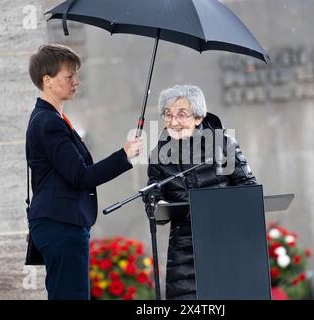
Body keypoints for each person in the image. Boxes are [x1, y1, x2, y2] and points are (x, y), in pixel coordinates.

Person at [26, 44, 143, 300]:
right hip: (62, 224)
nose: (76, 82)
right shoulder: (48, 122)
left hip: (60, 223)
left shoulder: (51, 118)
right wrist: (123, 156)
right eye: (69, 77)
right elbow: (80, 176)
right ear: (48, 81)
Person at [143, 84, 258, 300]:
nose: (173, 122)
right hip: (184, 247)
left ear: (198, 117)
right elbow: (154, 196)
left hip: (225, 242)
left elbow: (248, 188)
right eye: (168, 115)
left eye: (181, 114)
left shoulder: (224, 144)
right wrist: (155, 205)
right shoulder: (159, 153)